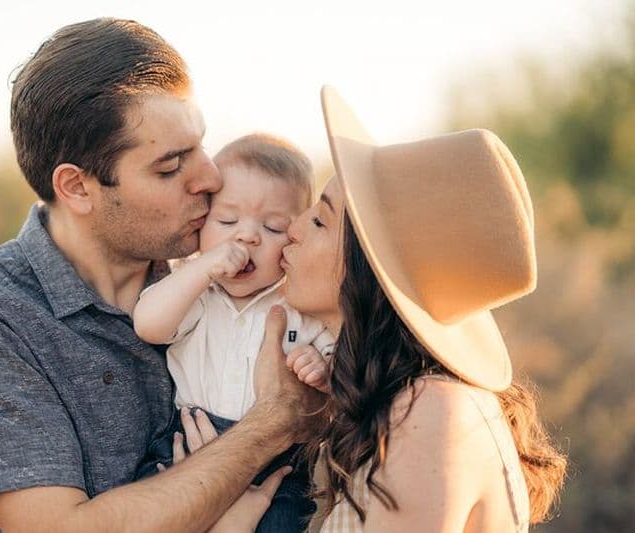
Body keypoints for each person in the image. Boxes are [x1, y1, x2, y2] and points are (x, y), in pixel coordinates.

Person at [0, 18, 322, 532]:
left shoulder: (214, 278)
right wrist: (274, 422)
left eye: (200, 147)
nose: (210, 178)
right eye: (170, 167)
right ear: (78, 188)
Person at [202, 86, 566, 531]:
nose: (292, 229)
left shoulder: (433, 413)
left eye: (319, 220)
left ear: (369, 269)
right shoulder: (398, 403)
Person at [133, 133, 336, 531]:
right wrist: (201, 267)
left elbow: (337, 361)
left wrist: (321, 365)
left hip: (280, 461)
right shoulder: (196, 291)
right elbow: (149, 325)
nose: (247, 236)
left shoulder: (299, 303)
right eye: (227, 221)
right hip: (187, 439)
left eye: (275, 227)